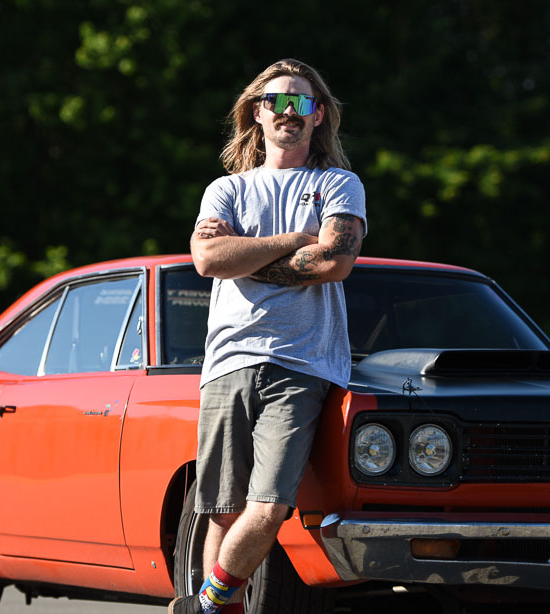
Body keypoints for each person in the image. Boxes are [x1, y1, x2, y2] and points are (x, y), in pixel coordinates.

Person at [170, 59, 366, 614]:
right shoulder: (225, 190)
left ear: (318, 114)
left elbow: (334, 260)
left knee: (269, 505)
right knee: (221, 510)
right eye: (276, 101)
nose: (288, 111)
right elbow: (207, 259)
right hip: (228, 362)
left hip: (302, 367)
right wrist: (291, 240)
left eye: (301, 102)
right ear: (257, 113)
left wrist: (245, 253)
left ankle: (207, 603)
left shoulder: (337, 183)